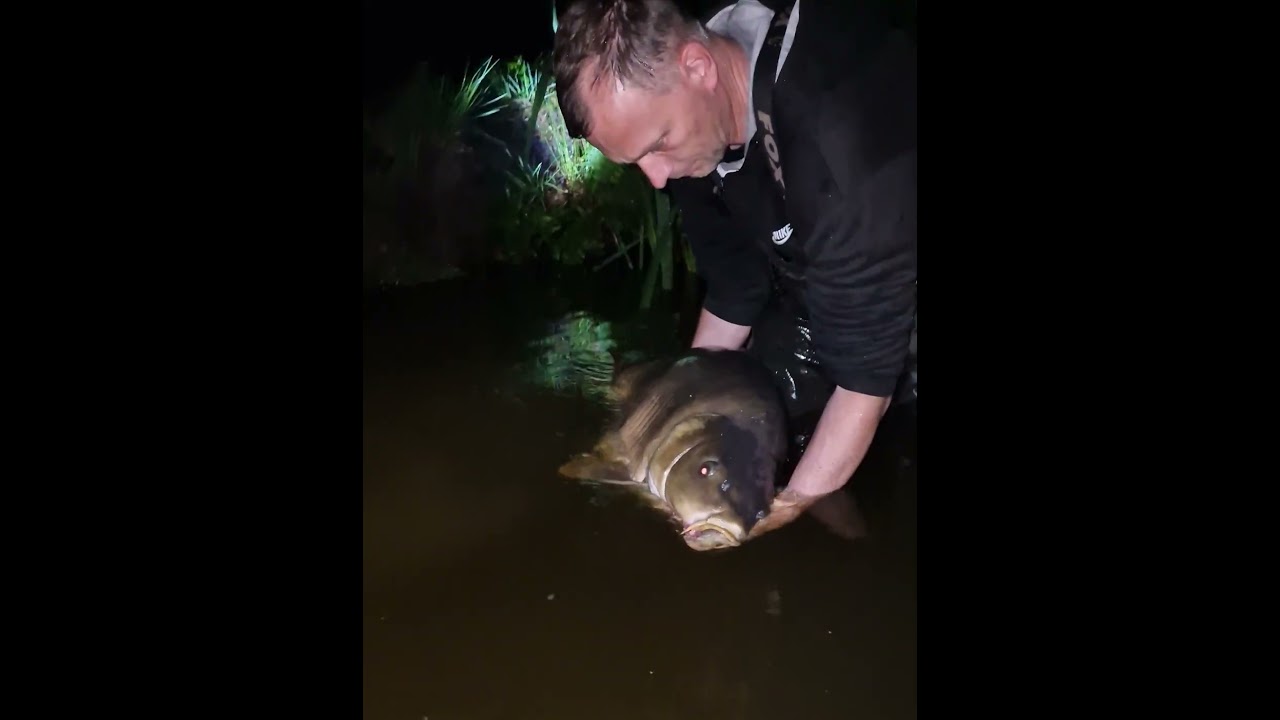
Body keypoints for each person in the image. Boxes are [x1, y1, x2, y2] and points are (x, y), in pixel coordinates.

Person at [552, 0, 917, 542]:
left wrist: (786, 507)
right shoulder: (696, 130)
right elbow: (736, 287)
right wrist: (676, 414)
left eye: (657, 145)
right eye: (636, 162)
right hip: (827, 274)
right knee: (763, 407)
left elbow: (866, 380)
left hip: (895, 255)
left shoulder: (836, 124)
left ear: (698, 67)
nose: (656, 179)